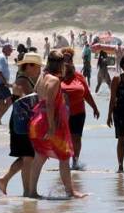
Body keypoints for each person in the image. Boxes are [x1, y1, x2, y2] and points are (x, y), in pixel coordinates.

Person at [27, 50, 86, 199]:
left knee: (40, 156)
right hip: (51, 122)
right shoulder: (54, 80)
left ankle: (32, 191)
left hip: (37, 121)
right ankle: (70, 191)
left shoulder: (42, 77)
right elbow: (51, 104)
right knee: (64, 156)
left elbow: (36, 94)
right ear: (60, 65)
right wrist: (52, 127)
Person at [0, 52, 42, 196]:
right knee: (28, 156)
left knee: (27, 156)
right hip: (21, 123)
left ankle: (5, 179)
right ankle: (27, 192)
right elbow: (20, 99)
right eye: (37, 66)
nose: (39, 69)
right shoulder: (22, 80)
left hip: (22, 122)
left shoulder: (26, 78)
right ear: (29, 66)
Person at [60, 48, 100, 171]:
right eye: (64, 59)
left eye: (69, 59)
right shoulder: (57, 76)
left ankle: (75, 161)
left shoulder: (79, 76)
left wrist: (94, 107)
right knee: (63, 138)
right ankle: (63, 161)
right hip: (62, 113)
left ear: (72, 61)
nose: (67, 62)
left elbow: (86, 94)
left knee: (76, 138)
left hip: (78, 113)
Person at [0, 44, 14, 125]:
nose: (11, 51)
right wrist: (6, 83)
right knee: (10, 100)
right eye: (10, 49)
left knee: (0, 103)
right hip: (0, 83)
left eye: (12, 50)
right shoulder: (2, 58)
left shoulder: (1, 56)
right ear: (4, 49)